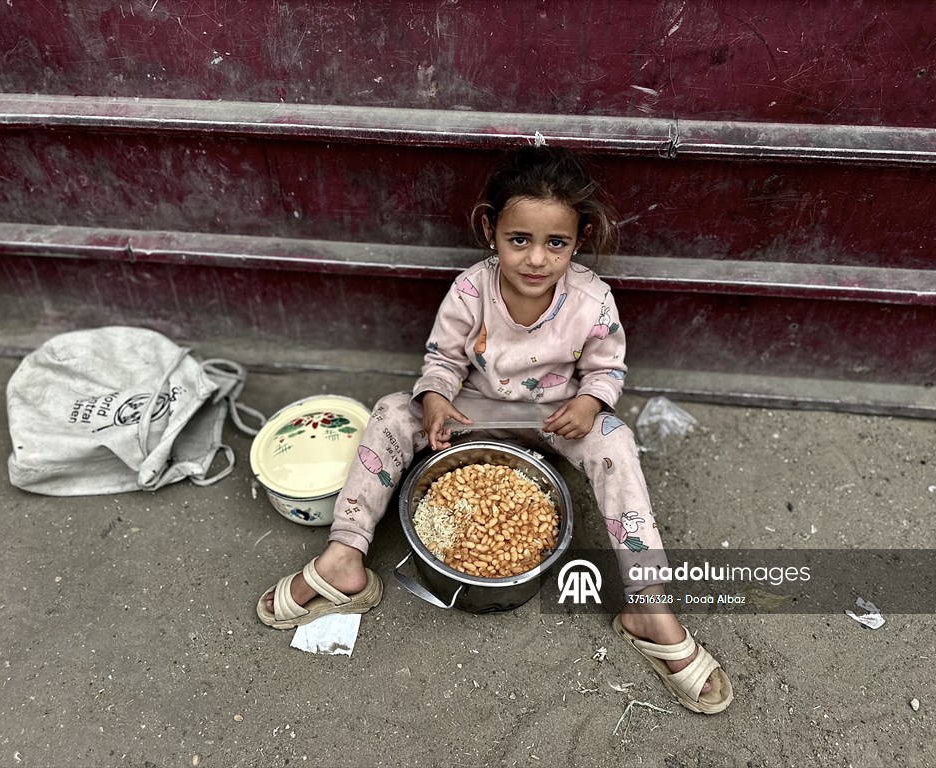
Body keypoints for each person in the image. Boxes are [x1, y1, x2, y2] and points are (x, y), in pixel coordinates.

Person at [256, 145, 733, 714]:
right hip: (474, 411)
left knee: (615, 441)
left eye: (555, 243)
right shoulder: (470, 289)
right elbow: (442, 361)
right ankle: (346, 556)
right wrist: (434, 400)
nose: (536, 259)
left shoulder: (591, 300)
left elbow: (607, 369)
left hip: (554, 420)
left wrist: (589, 402)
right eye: (519, 240)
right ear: (491, 230)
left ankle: (647, 604)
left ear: (578, 240)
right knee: (390, 411)